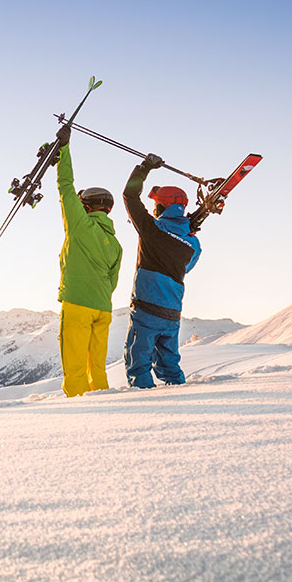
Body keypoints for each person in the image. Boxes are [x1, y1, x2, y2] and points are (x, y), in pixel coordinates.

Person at [51, 124, 123, 397]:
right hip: (103, 309)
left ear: (86, 206)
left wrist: (63, 151)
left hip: (78, 305)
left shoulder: (80, 225)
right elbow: (112, 281)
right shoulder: (116, 244)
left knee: (75, 368)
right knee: (98, 368)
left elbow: (65, 186)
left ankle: (79, 414)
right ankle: (102, 404)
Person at [121, 153, 201, 387]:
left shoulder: (151, 229)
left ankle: (144, 405)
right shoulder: (193, 243)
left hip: (146, 308)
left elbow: (129, 196)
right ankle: (178, 394)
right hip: (172, 312)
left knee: (138, 363)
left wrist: (144, 168)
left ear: (160, 206)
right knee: (169, 363)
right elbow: (187, 267)